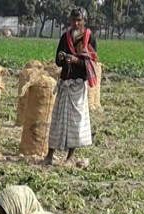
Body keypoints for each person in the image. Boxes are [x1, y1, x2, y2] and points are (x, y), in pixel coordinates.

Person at [44, 7, 98, 167]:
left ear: (84, 21)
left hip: (78, 85)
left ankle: (70, 157)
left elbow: (91, 63)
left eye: (78, 20)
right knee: (57, 120)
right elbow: (57, 61)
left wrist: (76, 61)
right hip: (65, 84)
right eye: (73, 20)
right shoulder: (65, 37)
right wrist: (63, 58)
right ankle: (50, 155)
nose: (75, 23)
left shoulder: (89, 39)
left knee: (75, 122)